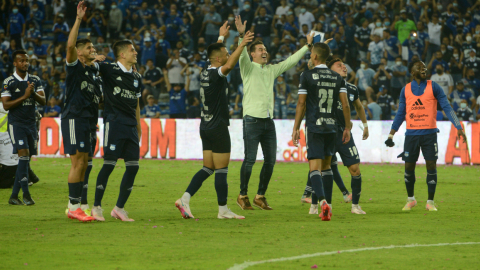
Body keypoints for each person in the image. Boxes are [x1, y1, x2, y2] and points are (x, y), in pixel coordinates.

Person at [174, 23, 254, 220]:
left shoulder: (205, 72)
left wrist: (221, 38)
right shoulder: (217, 73)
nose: (228, 55)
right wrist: (242, 44)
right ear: (218, 59)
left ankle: (185, 198)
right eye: (226, 52)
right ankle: (223, 209)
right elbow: (227, 65)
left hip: (205, 126)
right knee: (221, 169)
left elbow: (217, 56)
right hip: (218, 126)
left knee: (208, 167)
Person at [235, 15, 313, 211]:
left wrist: (307, 46)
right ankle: (242, 194)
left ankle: (260, 196)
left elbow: (290, 61)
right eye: (260, 49)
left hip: (268, 121)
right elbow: (241, 54)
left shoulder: (270, 70)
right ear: (252, 54)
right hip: (251, 120)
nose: (264, 52)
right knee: (250, 159)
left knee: (270, 160)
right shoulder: (246, 67)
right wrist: (241, 36)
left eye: (265, 49)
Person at [385, 60, 466, 212]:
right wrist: (391, 134)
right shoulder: (406, 90)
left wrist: (458, 126)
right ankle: (411, 199)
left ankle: (430, 202)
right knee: (408, 166)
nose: (423, 68)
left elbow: (447, 107)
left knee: (431, 166)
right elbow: (401, 113)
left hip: (429, 134)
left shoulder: (434, 86)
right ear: (412, 72)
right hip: (411, 135)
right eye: (419, 67)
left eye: (424, 67)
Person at [301, 58, 368, 215]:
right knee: (322, 168)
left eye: (344, 65)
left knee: (355, 169)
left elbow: (358, 106)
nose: (344, 67)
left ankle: (355, 206)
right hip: (326, 131)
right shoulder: (322, 85)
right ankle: (317, 204)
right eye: (339, 66)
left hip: (344, 134)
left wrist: (364, 125)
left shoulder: (351, 89)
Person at [292, 43, 352, 221]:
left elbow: (301, 104)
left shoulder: (307, 75)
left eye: (311, 54)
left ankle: (323, 202)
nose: (310, 56)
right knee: (327, 167)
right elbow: (346, 104)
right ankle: (330, 206)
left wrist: (296, 127)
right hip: (332, 127)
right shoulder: (336, 77)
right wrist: (347, 127)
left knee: (314, 168)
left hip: (315, 126)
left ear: (315, 57)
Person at [91, 38, 143, 222]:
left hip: (131, 127)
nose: (135, 52)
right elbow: (87, 66)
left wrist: (139, 126)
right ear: (122, 54)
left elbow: (136, 104)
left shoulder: (137, 77)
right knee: (109, 165)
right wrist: (94, 58)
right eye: (132, 50)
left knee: (133, 168)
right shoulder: (109, 69)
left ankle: (119, 208)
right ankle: (96, 207)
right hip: (114, 123)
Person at [61, 2, 100, 222]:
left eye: (93, 47)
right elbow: (69, 46)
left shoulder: (92, 74)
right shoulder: (75, 67)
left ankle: (74, 205)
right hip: (74, 119)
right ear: (80, 53)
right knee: (77, 163)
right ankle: (74, 206)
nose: (92, 49)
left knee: (85, 163)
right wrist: (78, 19)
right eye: (88, 48)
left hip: (87, 121)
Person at [1, 50, 46, 205]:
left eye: (26, 60)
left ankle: (14, 196)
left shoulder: (35, 80)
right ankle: (26, 194)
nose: (25, 63)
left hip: (31, 124)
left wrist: (32, 94)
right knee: (24, 155)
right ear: (15, 63)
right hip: (16, 124)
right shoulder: (8, 82)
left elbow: (43, 101)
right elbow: (6, 105)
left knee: (25, 161)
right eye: (21, 61)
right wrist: (25, 96)